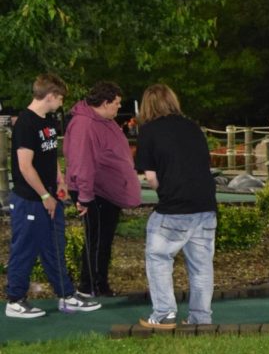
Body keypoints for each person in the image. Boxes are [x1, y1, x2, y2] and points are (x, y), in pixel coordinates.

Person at [4, 73, 101, 319]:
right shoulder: (26, 123)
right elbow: (25, 167)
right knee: (24, 249)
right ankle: (15, 301)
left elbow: (49, 156)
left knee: (55, 247)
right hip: (30, 200)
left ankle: (66, 296)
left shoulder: (47, 121)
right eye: (60, 99)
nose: (61, 103)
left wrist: (60, 181)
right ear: (50, 96)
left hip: (49, 197)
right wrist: (45, 195)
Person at [133, 83, 217, 328]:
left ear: (148, 106)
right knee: (201, 265)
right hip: (205, 205)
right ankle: (201, 318)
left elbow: (150, 177)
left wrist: (164, 189)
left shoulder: (149, 131)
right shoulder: (193, 127)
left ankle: (163, 313)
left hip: (175, 207)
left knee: (158, 256)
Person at [63, 81, 142, 295]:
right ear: (105, 103)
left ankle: (98, 283)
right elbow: (81, 163)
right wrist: (86, 197)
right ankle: (90, 287)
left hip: (104, 190)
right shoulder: (84, 124)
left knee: (103, 240)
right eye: (116, 103)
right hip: (94, 192)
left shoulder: (103, 120)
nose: (119, 107)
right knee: (97, 240)